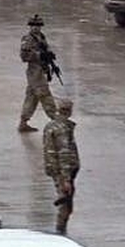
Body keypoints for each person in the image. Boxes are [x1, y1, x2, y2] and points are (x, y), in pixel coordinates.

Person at [43, 98, 80, 234]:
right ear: (69, 111)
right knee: (66, 205)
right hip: (63, 172)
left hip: (56, 169)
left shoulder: (51, 125)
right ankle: (60, 230)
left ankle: (61, 228)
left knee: (66, 201)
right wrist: (66, 179)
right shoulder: (63, 128)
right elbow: (64, 153)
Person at [19, 14, 57, 132]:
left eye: (38, 26)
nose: (35, 28)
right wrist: (39, 55)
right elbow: (24, 56)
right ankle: (55, 119)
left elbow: (46, 50)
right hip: (35, 71)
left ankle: (23, 122)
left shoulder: (41, 37)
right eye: (33, 25)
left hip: (41, 70)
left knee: (32, 97)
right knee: (44, 95)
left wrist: (50, 57)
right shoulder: (28, 39)